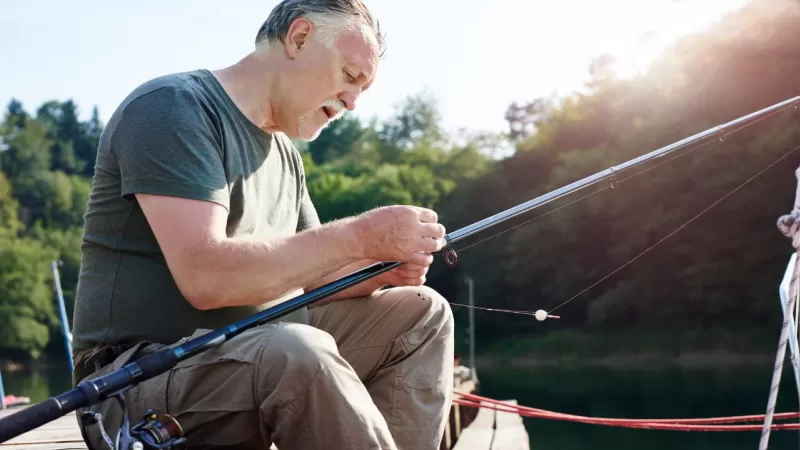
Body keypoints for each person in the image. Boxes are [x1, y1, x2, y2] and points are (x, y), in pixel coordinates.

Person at [69, 0, 455, 449]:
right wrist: (360, 234)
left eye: (362, 90)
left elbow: (314, 278)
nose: (352, 103)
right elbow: (206, 276)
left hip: (255, 351)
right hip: (133, 381)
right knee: (298, 352)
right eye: (351, 77)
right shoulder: (173, 107)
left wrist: (382, 267)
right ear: (299, 38)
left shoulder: (287, 157)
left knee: (421, 313)